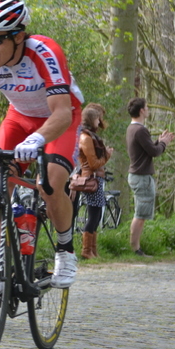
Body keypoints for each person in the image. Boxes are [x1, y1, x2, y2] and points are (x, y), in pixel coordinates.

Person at [0, 0, 84, 289]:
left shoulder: (44, 52)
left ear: (19, 36)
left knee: (49, 183)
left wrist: (38, 139)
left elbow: (62, 112)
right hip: (19, 117)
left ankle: (65, 251)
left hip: (60, 119)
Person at [126, 97, 175, 256]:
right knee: (140, 215)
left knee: (141, 213)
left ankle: (135, 247)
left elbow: (147, 149)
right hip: (141, 177)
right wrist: (164, 143)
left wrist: (158, 141)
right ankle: (135, 249)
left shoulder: (132, 129)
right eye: (147, 107)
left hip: (137, 175)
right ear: (141, 110)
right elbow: (154, 152)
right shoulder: (140, 130)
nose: (148, 110)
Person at [75, 103, 113, 259]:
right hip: (92, 180)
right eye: (97, 119)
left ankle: (93, 250)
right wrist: (107, 156)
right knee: (93, 215)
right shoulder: (86, 138)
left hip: (97, 179)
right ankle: (86, 250)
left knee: (97, 215)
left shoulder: (90, 136)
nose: (99, 122)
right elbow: (93, 163)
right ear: (92, 120)